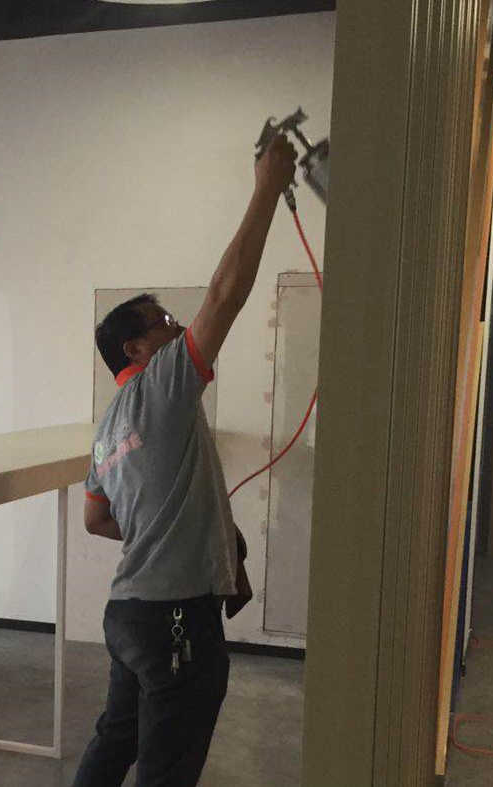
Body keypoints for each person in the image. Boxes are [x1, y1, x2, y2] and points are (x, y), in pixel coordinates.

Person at [72, 134, 297, 787]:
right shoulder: (162, 385)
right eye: (164, 321)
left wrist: (171, 529)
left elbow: (96, 519)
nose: (177, 327)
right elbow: (225, 294)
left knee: (114, 743)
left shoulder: (106, 428)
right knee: (167, 769)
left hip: (128, 616)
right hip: (174, 620)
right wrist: (267, 187)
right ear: (136, 348)